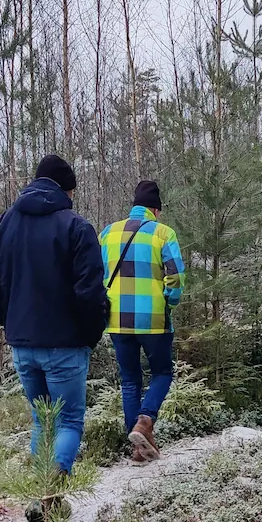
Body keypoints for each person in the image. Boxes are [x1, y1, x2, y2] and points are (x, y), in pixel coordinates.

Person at [0, 154, 107, 522]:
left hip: (22, 343)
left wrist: (8, 321)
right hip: (65, 343)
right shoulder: (75, 227)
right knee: (68, 422)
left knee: (42, 421)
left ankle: (41, 498)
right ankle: (49, 500)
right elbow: (89, 292)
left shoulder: (1, 226)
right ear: (66, 188)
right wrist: (91, 333)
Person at [99, 180, 184, 462]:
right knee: (162, 372)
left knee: (129, 381)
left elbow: (96, 273)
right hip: (153, 319)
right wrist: (170, 301)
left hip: (117, 320)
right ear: (156, 210)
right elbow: (176, 276)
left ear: (134, 206)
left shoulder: (108, 233)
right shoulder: (163, 233)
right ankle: (145, 421)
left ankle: (138, 449)